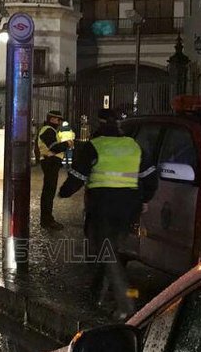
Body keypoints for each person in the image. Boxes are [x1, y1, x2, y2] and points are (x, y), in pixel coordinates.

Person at [59, 107, 158, 319]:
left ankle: (126, 305)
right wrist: (145, 199)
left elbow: (77, 177)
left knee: (107, 252)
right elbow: (150, 177)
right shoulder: (134, 146)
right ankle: (96, 294)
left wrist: (64, 193)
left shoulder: (95, 146)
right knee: (109, 248)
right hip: (129, 206)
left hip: (103, 205)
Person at [35, 109, 72, 230]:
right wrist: (67, 144)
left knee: (49, 192)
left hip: (50, 162)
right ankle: (47, 220)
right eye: (58, 120)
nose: (60, 122)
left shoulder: (49, 130)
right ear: (52, 119)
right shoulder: (48, 130)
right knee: (48, 193)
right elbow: (54, 147)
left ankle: (47, 219)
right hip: (49, 162)